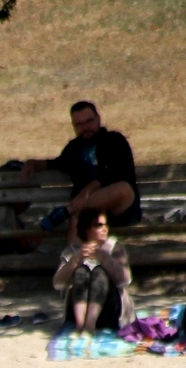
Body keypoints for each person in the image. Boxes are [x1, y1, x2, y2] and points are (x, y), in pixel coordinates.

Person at [22, 102, 141, 230]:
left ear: (98, 119)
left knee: (123, 189)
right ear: (74, 126)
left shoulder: (115, 141)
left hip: (120, 210)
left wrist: (87, 191)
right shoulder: (74, 148)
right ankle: (73, 246)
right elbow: (56, 164)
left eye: (89, 121)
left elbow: (118, 172)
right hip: (87, 214)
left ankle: (67, 211)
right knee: (79, 214)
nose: (86, 127)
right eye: (79, 124)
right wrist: (32, 163)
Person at [51, 209, 134, 333]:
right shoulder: (73, 251)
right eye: (99, 225)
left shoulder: (114, 247)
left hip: (109, 313)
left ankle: (90, 326)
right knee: (81, 271)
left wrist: (104, 258)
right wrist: (75, 260)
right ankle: (81, 326)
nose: (105, 228)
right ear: (87, 228)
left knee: (99, 272)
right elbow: (58, 284)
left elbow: (125, 280)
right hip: (76, 314)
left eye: (106, 224)